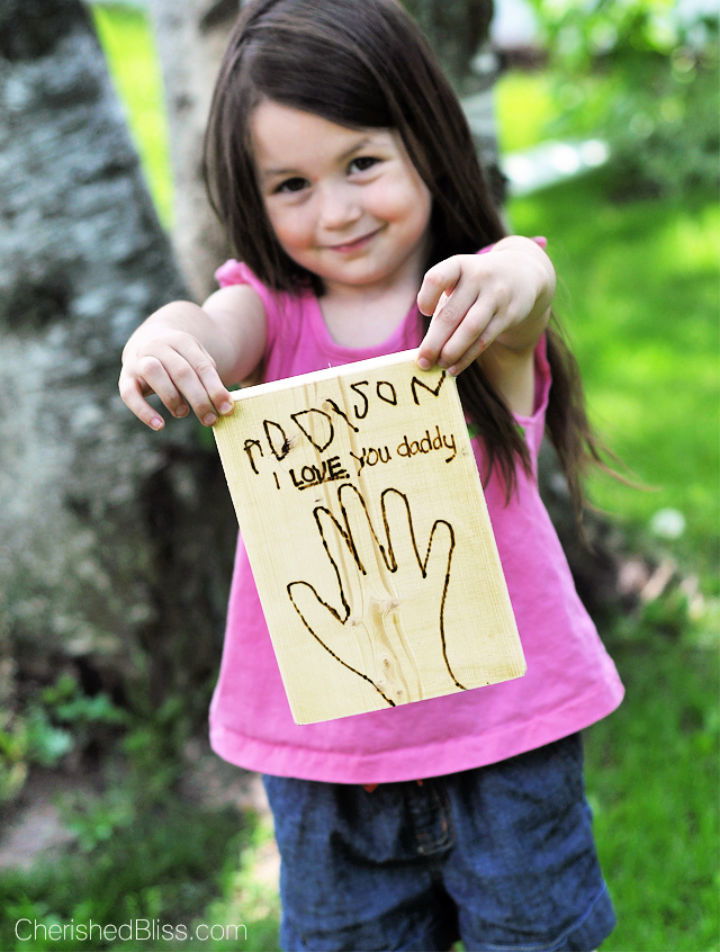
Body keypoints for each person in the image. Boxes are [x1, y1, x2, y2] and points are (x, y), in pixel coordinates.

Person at [119, 1, 625, 948]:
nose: (338, 210)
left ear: (427, 141)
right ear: (253, 197)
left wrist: (512, 274)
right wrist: (163, 340)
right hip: (326, 759)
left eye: (361, 164)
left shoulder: (469, 308)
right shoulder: (266, 315)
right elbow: (205, 329)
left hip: (507, 738)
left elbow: (521, 287)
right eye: (292, 185)